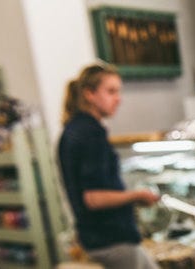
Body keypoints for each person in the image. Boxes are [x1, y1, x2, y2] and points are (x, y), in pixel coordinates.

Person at [58, 63, 160, 269]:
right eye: (111, 91)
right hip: (111, 240)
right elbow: (93, 198)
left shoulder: (74, 129)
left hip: (95, 238)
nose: (118, 98)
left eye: (118, 91)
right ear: (89, 94)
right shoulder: (91, 133)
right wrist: (137, 195)